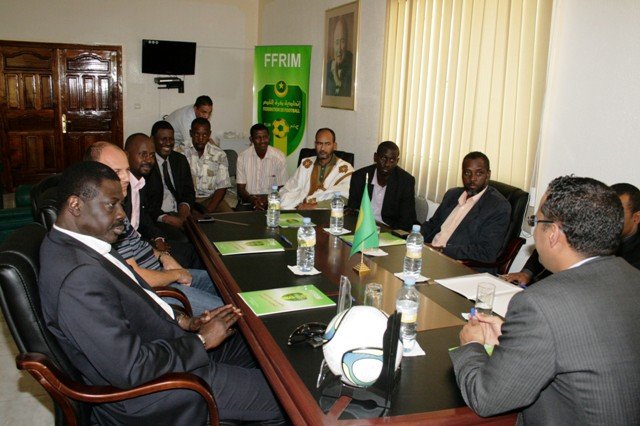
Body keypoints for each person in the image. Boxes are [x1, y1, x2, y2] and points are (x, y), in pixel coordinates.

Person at [39, 161, 285, 424]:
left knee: (265, 345)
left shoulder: (84, 243)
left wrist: (185, 321)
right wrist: (201, 340)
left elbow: (139, 297)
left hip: (167, 346)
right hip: (156, 391)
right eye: (112, 205)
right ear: (75, 205)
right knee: (282, 399)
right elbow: (130, 368)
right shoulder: (78, 278)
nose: (121, 214)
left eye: (121, 204)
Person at [449, 176, 640, 423]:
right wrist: (517, 337)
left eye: (536, 222)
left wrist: (471, 346)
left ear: (553, 234)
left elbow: (486, 399)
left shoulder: (539, 304)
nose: (534, 232)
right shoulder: (632, 278)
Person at [87, 141, 222, 316]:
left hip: (162, 273)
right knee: (232, 310)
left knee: (227, 285)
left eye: (126, 170)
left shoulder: (117, 208)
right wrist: (176, 275)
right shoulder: (105, 219)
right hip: (157, 291)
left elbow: (139, 242)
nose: (126, 177)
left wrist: (163, 256)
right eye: (116, 171)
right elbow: (135, 277)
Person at [502, 182, 640, 285]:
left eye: (619, 213)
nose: (609, 218)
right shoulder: (593, 228)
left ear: (636, 218)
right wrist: (527, 273)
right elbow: (548, 243)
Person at [420, 151, 510, 264]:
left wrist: (441, 250)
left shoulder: (497, 206)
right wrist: (414, 236)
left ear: (488, 175)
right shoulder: (452, 195)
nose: (472, 178)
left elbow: (486, 251)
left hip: (457, 263)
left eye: (479, 173)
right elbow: (433, 224)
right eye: (467, 173)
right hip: (428, 254)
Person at [347, 141, 417, 231]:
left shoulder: (405, 182)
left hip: (389, 229)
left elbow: (406, 220)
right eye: (383, 158)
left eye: (392, 160)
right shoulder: (360, 176)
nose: (387, 164)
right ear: (375, 157)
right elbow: (353, 209)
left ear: (397, 161)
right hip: (362, 226)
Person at [280, 128, 354, 210]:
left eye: (327, 144)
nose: (322, 148)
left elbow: (346, 198)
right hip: (300, 209)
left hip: (327, 212)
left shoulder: (345, 169)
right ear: (315, 145)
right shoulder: (306, 164)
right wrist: (296, 204)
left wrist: (315, 206)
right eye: (319, 143)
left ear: (334, 146)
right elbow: (290, 189)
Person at [145, 120, 197, 230]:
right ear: (152, 139)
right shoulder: (146, 164)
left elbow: (188, 190)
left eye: (171, 139)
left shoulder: (180, 160)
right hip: (158, 218)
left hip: (181, 213)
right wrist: (164, 218)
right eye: (163, 139)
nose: (168, 143)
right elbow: (145, 202)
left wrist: (185, 206)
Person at [182, 117, 233, 213]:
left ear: (209, 134)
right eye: (197, 134)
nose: (200, 138)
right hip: (187, 200)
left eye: (204, 134)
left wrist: (208, 210)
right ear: (191, 133)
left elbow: (222, 186)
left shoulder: (219, 154)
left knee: (230, 218)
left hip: (211, 199)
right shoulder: (180, 152)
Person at [236, 123, 288, 211]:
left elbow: (282, 188)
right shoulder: (242, 157)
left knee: (279, 216)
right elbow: (241, 189)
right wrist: (253, 200)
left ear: (269, 138)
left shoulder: (279, 157)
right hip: (249, 199)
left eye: (265, 137)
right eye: (258, 138)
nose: (262, 141)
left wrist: (267, 200)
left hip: (272, 199)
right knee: (239, 217)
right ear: (251, 139)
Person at [325, 16, 353, 97]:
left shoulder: (353, 65)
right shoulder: (328, 67)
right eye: (337, 42)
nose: (339, 49)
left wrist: (336, 77)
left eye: (342, 42)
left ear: (347, 42)